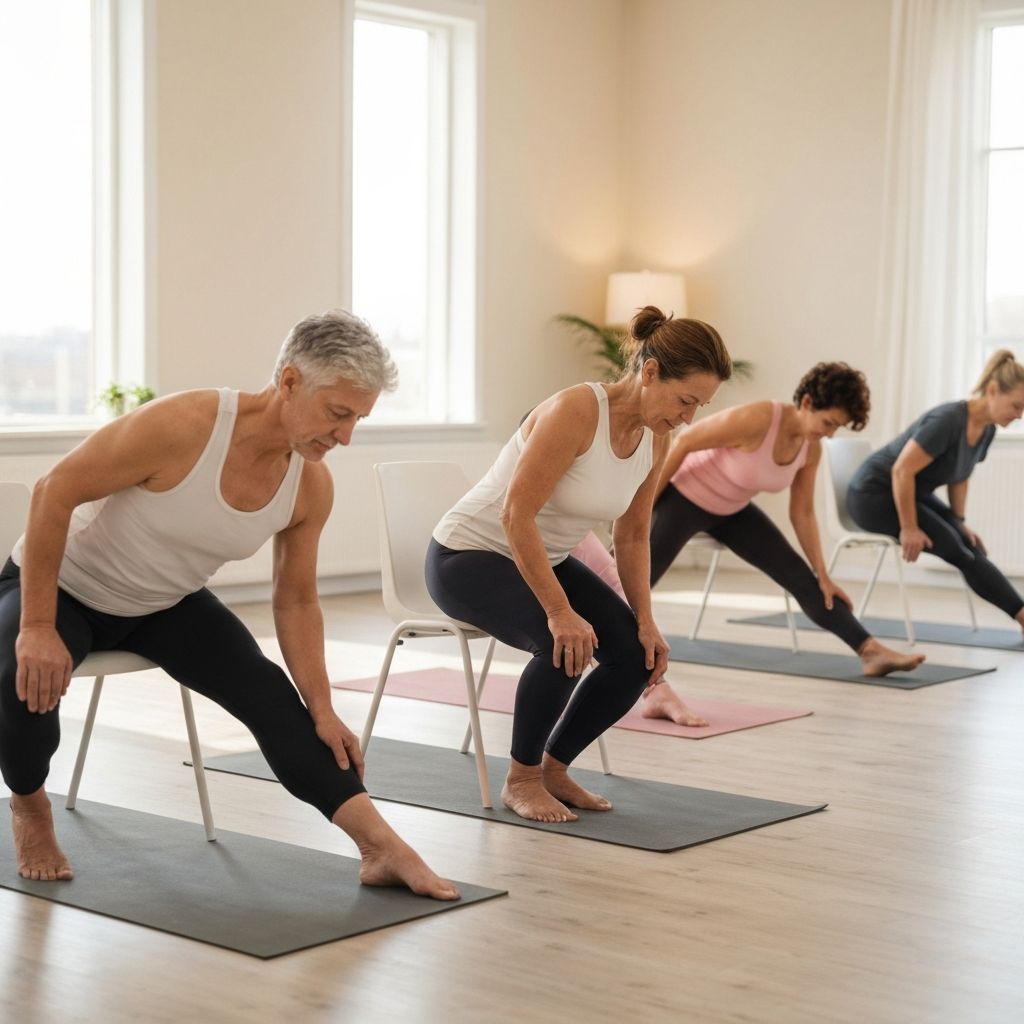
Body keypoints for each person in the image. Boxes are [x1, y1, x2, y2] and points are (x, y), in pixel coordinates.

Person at [1, 309, 458, 899]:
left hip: (166, 604)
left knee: (277, 701)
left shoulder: (309, 483)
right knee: (23, 675)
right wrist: (37, 624)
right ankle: (30, 805)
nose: (345, 437)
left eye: (358, 420)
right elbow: (52, 492)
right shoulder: (186, 425)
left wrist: (322, 706)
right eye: (338, 414)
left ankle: (381, 847)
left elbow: (295, 599)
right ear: (289, 381)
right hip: (63, 588)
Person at [426, 306, 732, 823]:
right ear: (650, 371)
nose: (688, 418)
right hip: (468, 555)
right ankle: (520, 779)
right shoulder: (577, 410)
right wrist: (559, 611)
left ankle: (554, 768)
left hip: (543, 557)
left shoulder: (656, 436)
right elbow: (515, 513)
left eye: (699, 406)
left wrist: (647, 620)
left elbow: (633, 535)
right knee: (562, 640)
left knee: (637, 654)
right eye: (685, 401)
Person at [643, 362, 926, 681]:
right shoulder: (760, 418)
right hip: (683, 497)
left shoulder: (811, 448)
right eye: (828, 422)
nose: (830, 433)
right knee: (633, 579)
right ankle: (590, 637)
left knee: (806, 580)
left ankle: (870, 651)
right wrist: (644, 505)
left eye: (837, 428)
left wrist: (822, 572)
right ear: (807, 403)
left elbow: (802, 512)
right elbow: (685, 441)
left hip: (732, 510)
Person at [846, 349, 1024, 631]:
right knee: (958, 551)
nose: (1020, 414)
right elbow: (901, 470)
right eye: (1016, 406)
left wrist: (959, 521)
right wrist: (909, 527)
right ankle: (1022, 616)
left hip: (910, 491)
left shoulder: (987, 429)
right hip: (872, 495)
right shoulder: (948, 420)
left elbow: (960, 477)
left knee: (970, 544)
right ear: (992, 390)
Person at [569, 531, 708, 726]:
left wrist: (646, 622)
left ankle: (657, 690)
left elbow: (633, 536)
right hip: (520, 543)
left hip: (569, 530)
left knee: (617, 589)